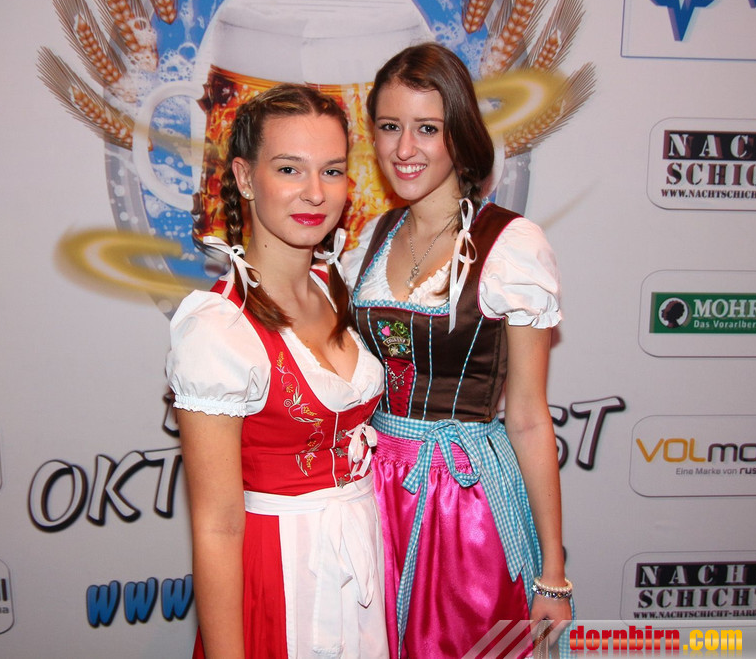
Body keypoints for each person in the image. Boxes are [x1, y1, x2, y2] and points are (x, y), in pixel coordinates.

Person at [342, 43, 574, 658]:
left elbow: (528, 417)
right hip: (371, 489)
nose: (404, 149)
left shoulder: (510, 245)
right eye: (389, 127)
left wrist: (553, 572)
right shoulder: (370, 238)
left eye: (427, 128)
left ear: (460, 134)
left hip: (462, 495)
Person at [167, 84, 389, 658]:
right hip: (281, 575)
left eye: (332, 171)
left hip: (364, 562)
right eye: (290, 169)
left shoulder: (335, 285)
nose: (315, 192)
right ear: (245, 178)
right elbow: (217, 526)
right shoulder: (219, 328)